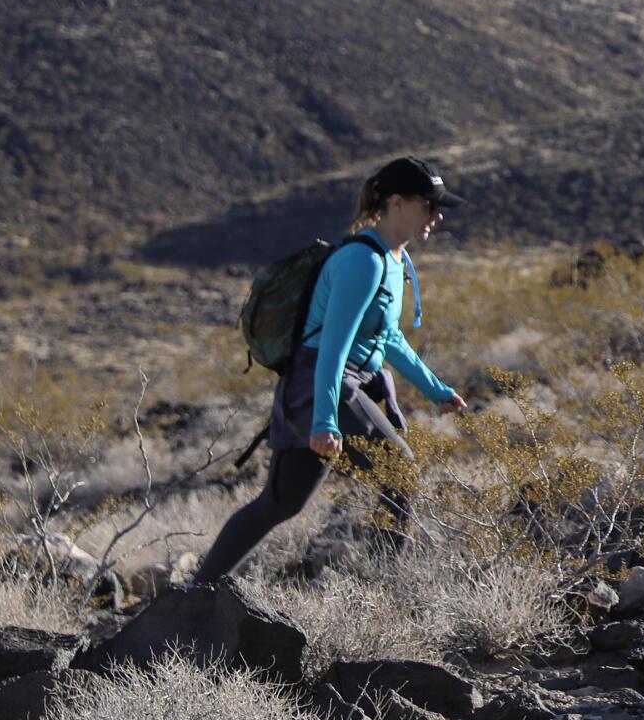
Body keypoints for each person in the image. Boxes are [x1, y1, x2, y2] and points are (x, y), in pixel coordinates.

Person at [194, 156, 469, 586]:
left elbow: (389, 337)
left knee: (281, 503)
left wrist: (436, 390)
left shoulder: (393, 260)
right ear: (397, 203)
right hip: (324, 384)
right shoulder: (365, 262)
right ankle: (384, 588)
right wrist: (324, 422)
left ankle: (200, 587)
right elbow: (332, 351)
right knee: (397, 469)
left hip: (336, 384)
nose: (437, 216)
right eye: (429, 205)